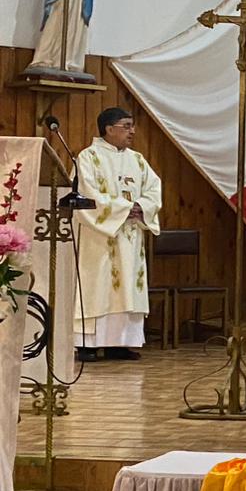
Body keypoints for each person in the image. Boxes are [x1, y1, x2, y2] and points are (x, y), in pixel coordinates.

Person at [74, 108, 162, 361]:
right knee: (99, 286)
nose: (132, 131)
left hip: (130, 235)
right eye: (126, 126)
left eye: (132, 126)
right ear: (109, 129)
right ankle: (88, 344)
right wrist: (126, 209)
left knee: (127, 287)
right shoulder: (88, 157)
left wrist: (142, 208)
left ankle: (120, 343)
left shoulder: (137, 160)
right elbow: (87, 194)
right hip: (100, 236)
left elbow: (154, 190)